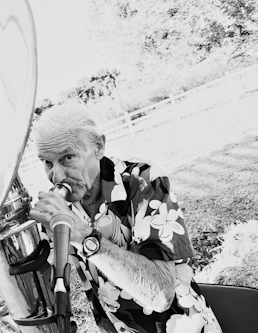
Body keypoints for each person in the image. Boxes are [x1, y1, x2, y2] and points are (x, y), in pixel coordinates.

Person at [29, 104, 222, 333]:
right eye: (47, 163)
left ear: (98, 147)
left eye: (68, 157)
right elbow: (46, 298)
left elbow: (161, 295)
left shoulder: (144, 180)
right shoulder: (62, 206)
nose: (57, 176)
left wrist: (83, 236)